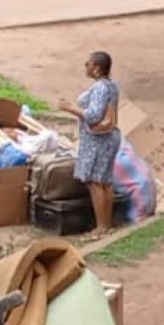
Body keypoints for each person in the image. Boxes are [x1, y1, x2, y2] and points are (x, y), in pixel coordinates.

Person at [55, 50, 121, 240]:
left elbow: (93, 115)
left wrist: (70, 108)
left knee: (94, 182)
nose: (86, 66)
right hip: (109, 138)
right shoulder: (112, 86)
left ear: (97, 69)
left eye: (88, 64)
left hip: (97, 141)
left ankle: (100, 228)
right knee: (105, 181)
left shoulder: (100, 88)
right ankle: (107, 225)